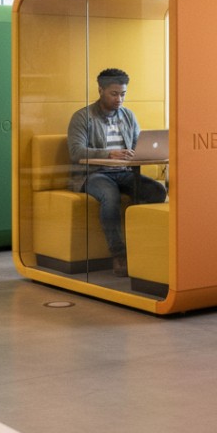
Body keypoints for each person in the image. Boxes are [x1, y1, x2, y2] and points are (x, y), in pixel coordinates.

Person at [67, 68, 168, 277]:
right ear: (100, 90)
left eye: (123, 94)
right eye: (114, 94)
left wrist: (137, 154)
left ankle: (141, 245)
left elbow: (137, 145)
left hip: (123, 172)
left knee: (156, 191)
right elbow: (76, 152)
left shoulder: (128, 116)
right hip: (93, 174)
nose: (119, 99)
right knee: (110, 196)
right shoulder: (82, 117)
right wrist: (109, 153)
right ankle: (119, 254)